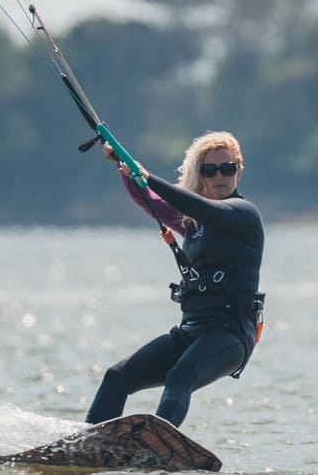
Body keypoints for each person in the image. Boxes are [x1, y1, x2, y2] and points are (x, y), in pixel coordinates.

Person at [85, 130, 265, 428]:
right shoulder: (193, 224)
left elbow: (201, 207)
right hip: (192, 331)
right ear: (201, 175)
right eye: (210, 170)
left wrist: (148, 175)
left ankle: (156, 445)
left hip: (230, 335)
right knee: (118, 376)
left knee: (180, 376)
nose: (219, 176)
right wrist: (125, 168)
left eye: (227, 168)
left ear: (239, 170)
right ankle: (87, 444)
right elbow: (153, 203)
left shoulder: (244, 213)